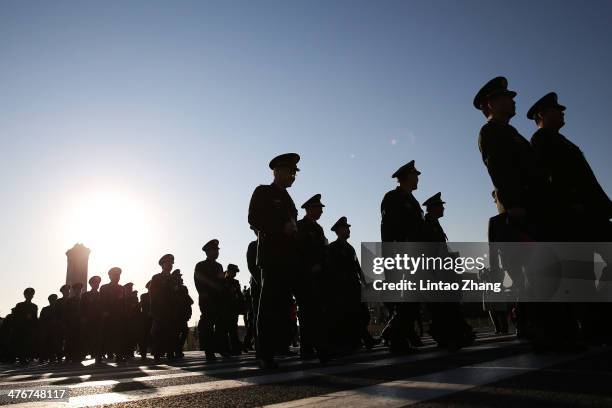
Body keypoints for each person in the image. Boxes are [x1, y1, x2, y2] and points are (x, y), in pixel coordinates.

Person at [528, 92, 612, 344]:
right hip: (576, 216)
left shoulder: (560, 140)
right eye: (557, 109)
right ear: (542, 115)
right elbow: (548, 181)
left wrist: (605, 206)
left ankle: (598, 320)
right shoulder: (542, 140)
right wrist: (571, 207)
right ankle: (593, 324)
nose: (562, 112)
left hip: (591, 213)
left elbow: (586, 181)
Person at [248, 153, 330, 368]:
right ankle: (265, 354)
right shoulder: (263, 192)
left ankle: (321, 349)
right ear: (276, 171)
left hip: (294, 260)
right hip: (273, 259)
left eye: (295, 172)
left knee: (310, 302)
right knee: (269, 308)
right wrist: (279, 228)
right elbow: (254, 219)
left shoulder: (289, 201)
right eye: (290, 171)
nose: (293, 176)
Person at [380, 160, 425, 353]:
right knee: (408, 299)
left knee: (412, 300)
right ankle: (397, 341)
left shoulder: (413, 201)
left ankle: (392, 332)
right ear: (407, 177)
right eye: (415, 175)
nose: (418, 178)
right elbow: (389, 228)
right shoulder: (392, 197)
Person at [421, 192, 474, 350]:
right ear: (434, 208)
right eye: (441, 206)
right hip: (436, 269)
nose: (443, 208)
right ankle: (446, 336)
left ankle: (451, 334)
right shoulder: (428, 224)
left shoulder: (433, 223)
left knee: (445, 304)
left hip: (441, 268)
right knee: (442, 305)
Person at [326, 216, 378, 351]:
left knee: (362, 314)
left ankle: (362, 340)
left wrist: (366, 282)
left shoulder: (350, 248)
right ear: (338, 231)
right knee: (350, 315)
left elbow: (357, 267)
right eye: (345, 228)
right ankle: (364, 340)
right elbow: (330, 269)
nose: (348, 230)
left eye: (348, 228)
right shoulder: (332, 248)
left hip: (354, 286)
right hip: (341, 288)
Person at [296, 193, 328, 359]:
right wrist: (309, 267)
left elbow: (323, 251)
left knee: (317, 311)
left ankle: (318, 346)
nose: (321, 211)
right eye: (318, 208)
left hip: (318, 276)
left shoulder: (318, 229)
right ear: (309, 209)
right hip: (303, 275)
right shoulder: (299, 226)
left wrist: (321, 266)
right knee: (306, 312)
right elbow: (297, 251)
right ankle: (306, 347)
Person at [194, 240, 225, 361]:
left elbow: (221, 282)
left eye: (217, 250)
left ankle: (220, 348)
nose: (216, 252)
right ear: (207, 252)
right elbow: (198, 281)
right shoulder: (200, 265)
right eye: (214, 250)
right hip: (207, 299)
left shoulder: (219, 266)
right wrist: (203, 293)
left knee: (220, 325)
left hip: (218, 299)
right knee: (208, 324)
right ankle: (209, 351)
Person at [150, 254, 178, 361]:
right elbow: (152, 294)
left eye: (171, 263)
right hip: (160, 309)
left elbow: (177, 294)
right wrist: (153, 310)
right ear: (162, 265)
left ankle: (170, 352)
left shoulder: (174, 278)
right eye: (167, 263)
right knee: (159, 332)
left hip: (172, 309)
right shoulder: (156, 278)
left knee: (171, 332)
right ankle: (157, 353)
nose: (170, 265)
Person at [100, 267, 126, 362]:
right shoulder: (104, 288)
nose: (117, 277)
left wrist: (124, 313)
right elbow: (102, 301)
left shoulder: (121, 288)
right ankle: (100, 355)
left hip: (118, 316)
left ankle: (119, 355)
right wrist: (104, 312)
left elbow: (123, 302)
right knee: (105, 336)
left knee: (119, 335)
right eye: (115, 275)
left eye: (118, 275)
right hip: (108, 316)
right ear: (110, 276)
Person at [219, 264, 244, 355]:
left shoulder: (235, 282)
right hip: (224, 308)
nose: (235, 274)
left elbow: (239, 295)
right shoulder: (222, 281)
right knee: (224, 329)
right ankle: (225, 348)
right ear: (229, 271)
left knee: (233, 328)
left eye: (235, 272)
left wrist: (242, 305)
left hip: (233, 308)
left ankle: (235, 348)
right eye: (233, 272)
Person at [171, 269, 193, 358]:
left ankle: (178, 348)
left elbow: (188, 301)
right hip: (174, 313)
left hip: (183, 313)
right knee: (175, 333)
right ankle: (175, 350)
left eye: (180, 276)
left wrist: (189, 313)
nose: (180, 278)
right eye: (178, 276)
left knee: (184, 331)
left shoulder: (184, 288)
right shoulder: (172, 286)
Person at [80, 276, 103, 363]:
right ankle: (82, 354)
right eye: (95, 283)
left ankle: (98, 355)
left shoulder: (101, 294)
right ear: (91, 284)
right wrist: (83, 317)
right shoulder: (86, 295)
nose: (97, 285)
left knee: (98, 338)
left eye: (98, 283)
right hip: (88, 320)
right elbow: (82, 307)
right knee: (87, 337)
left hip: (98, 320)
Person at [13, 288, 38, 364]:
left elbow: (35, 318)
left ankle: (25, 358)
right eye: (28, 294)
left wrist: (35, 328)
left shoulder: (34, 306)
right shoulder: (20, 305)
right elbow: (16, 316)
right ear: (25, 295)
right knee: (21, 343)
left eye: (31, 295)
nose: (29, 296)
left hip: (29, 328)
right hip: (21, 327)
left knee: (28, 344)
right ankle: (21, 358)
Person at [38, 294, 59, 363]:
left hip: (55, 329)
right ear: (49, 301)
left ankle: (52, 357)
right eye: (52, 300)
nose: (53, 301)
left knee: (53, 344)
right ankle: (42, 357)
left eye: (55, 300)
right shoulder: (45, 309)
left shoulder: (58, 309)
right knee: (45, 344)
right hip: (46, 329)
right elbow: (41, 319)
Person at [137, 282, 152, 361]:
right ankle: (143, 353)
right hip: (145, 318)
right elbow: (144, 306)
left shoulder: (157, 295)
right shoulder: (144, 296)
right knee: (144, 336)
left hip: (155, 317)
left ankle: (157, 351)